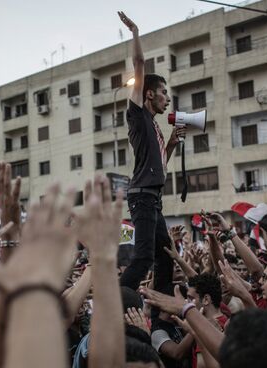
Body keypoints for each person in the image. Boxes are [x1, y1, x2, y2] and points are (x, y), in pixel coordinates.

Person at [117, 11, 186, 296]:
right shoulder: (138, 116)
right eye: (163, 93)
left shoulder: (155, 128)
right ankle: (113, 303)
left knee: (166, 255)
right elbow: (139, 62)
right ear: (148, 94)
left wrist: (170, 144)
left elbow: (159, 165)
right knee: (144, 258)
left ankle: (159, 308)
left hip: (152, 197)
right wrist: (135, 31)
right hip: (143, 196)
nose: (167, 99)